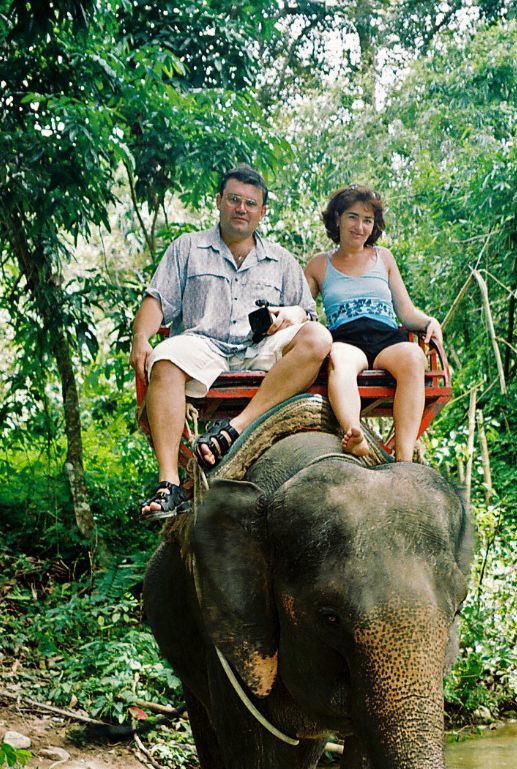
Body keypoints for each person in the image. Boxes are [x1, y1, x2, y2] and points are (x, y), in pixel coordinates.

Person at [131, 166, 332, 520]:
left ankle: (236, 426)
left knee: (318, 338)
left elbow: (308, 314)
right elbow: (157, 301)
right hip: (203, 345)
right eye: (234, 200)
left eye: (250, 203)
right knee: (163, 359)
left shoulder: (282, 260)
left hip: (260, 351)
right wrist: (140, 338)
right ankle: (168, 483)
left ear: (262, 212)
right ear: (219, 202)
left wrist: (292, 316)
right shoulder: (188, 248)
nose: (242, 208)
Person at [304, 185, 443, 462]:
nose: (360, 226)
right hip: (345, 338)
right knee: (339, 361)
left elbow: (405, 311)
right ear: (337, 219)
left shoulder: (384, 258)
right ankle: (353, 433)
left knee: (414, 357)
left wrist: (429, 321)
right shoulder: (319, 265)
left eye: (367, 220)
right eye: (353, 217)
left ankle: (404, 457)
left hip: (384, 337)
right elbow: (303, 311)